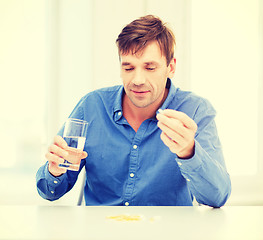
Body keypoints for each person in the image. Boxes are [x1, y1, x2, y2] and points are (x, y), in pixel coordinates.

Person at [36, 15, 231, 207]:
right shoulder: (92, 107)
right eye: (128, 68)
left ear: (170, 67)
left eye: (150, 68)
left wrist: (189, 152)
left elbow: (217, 197)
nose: (138, 80)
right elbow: (49, 192)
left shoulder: (196, 110)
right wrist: (55, 171)